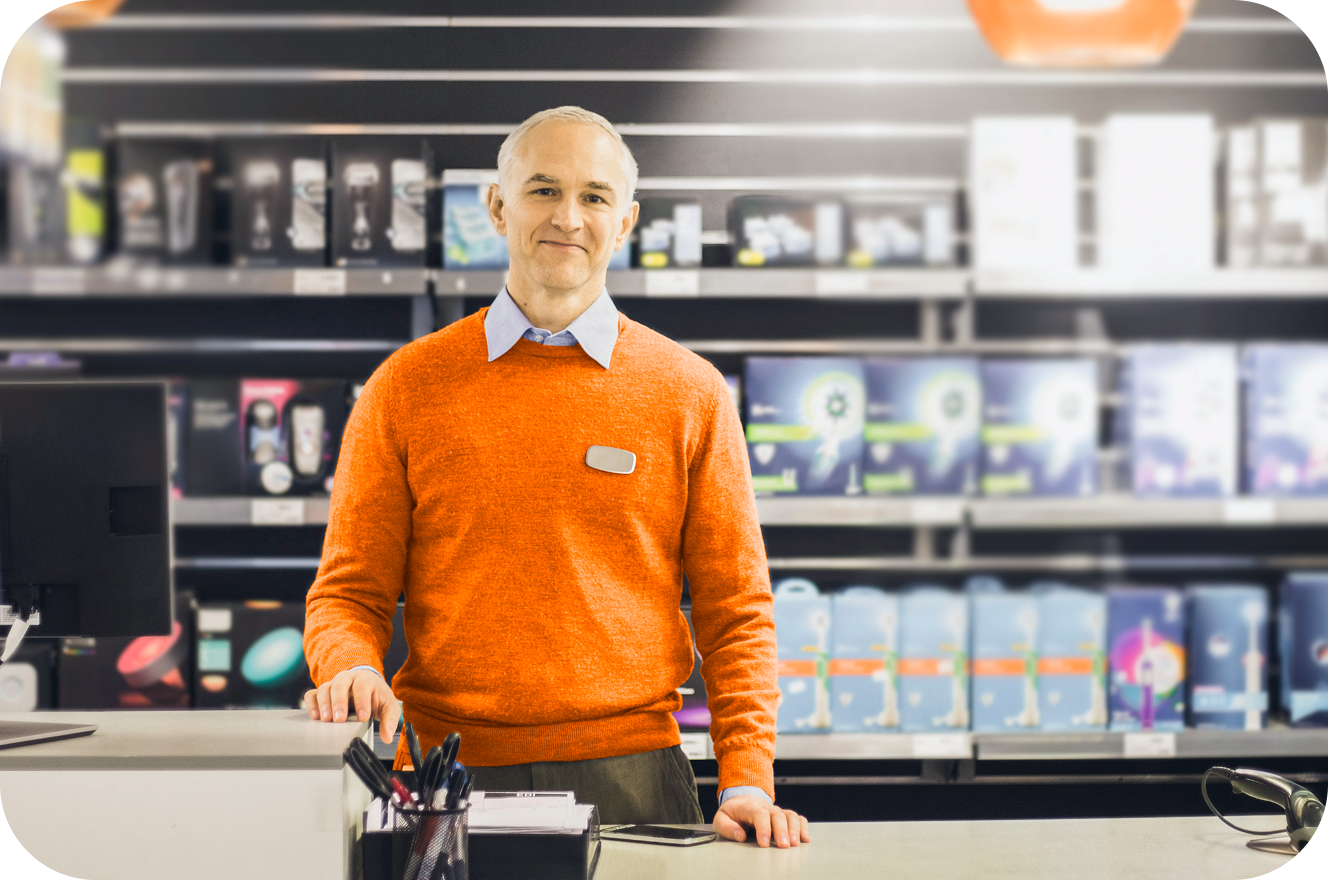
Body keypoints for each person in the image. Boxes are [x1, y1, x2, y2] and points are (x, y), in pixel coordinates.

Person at [303, 106, 810, 849]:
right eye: (543, 190)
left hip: (635, 776)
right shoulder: (407, 386)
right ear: (497, 206)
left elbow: (736, 609)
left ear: (627, 220)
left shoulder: (689, 391)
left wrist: (747, 776)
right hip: (442, 778)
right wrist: (349, 666)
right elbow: (347, 592)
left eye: (594, 196)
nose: (567, 217)